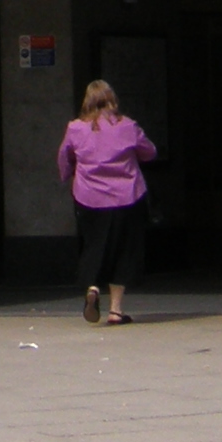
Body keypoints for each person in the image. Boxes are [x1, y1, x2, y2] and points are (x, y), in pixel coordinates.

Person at [59, 78, 156, 326]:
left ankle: (92, 287)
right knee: (124, 250)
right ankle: (115, 311)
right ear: (112, 100)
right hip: (127, 196)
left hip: (88, 196)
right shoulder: (128, 126)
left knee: (94, 245)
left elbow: (65, 159)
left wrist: (70, 175)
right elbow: (149, 151)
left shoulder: (75, 128)